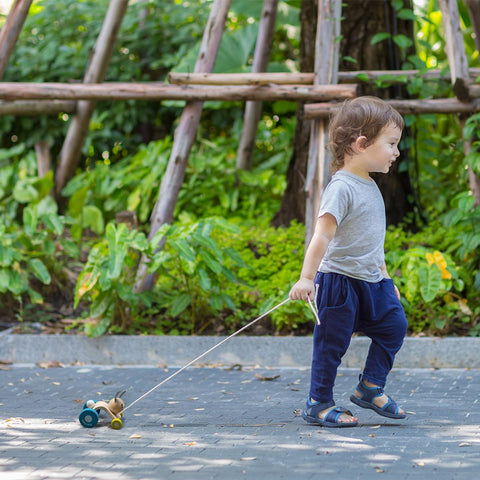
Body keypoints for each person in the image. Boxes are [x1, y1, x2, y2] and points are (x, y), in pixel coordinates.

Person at [289, 96, 408, 427]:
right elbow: (322, 236)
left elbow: (373, 241)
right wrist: (306, 278)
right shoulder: (341, 187)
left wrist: (387, 279)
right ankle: (319, 403)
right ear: (361, 144)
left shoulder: (370, 185)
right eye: (391, 143)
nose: (396, 152)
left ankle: (370, 386)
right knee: (331, 345)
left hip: (372, 282)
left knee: (395, 326)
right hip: (339, 282)